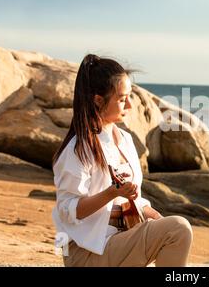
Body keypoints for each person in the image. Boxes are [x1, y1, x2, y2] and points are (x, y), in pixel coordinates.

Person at [52, 54, 193, 267]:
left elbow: (130, 199)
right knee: (178, 227)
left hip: (120, 240)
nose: (129, 104)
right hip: (85, 253)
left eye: (129, 97)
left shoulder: (125, 140)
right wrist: (111, 193)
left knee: (173, 229)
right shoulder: (78, 148)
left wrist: (150, 213)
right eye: (121, 99)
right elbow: (67, 210)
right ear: (98, 100)